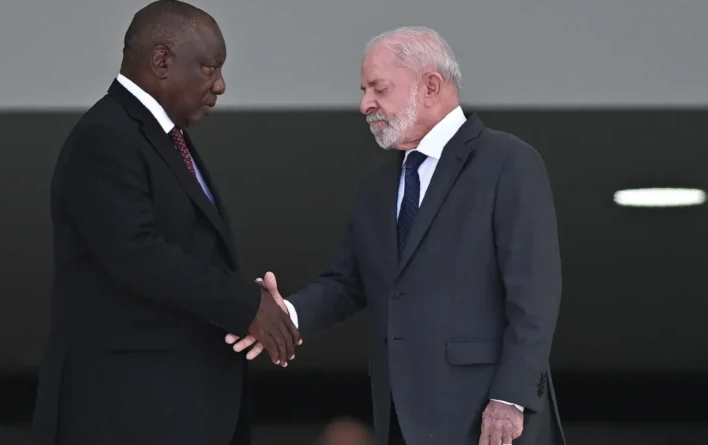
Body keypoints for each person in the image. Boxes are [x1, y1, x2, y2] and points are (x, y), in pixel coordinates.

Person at [227, 26, 566, 445]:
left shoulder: (507, 162)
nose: (365, 104)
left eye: (379, 88)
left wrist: (511, 398)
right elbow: (346, 282)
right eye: (364, 90)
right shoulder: (378, 189)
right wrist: (284, 316)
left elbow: (535, 293)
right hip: (403, 419)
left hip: (488, 417)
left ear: (431, 86)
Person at [31, 2, 301, 445]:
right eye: (209, 68)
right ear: (161, 61)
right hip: (127, 417)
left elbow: (184, 254)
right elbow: (136, 253)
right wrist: (245, 303)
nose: (220, 84)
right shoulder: (106, 135)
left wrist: (245, 297)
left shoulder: (163, 139)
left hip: (172, 413)